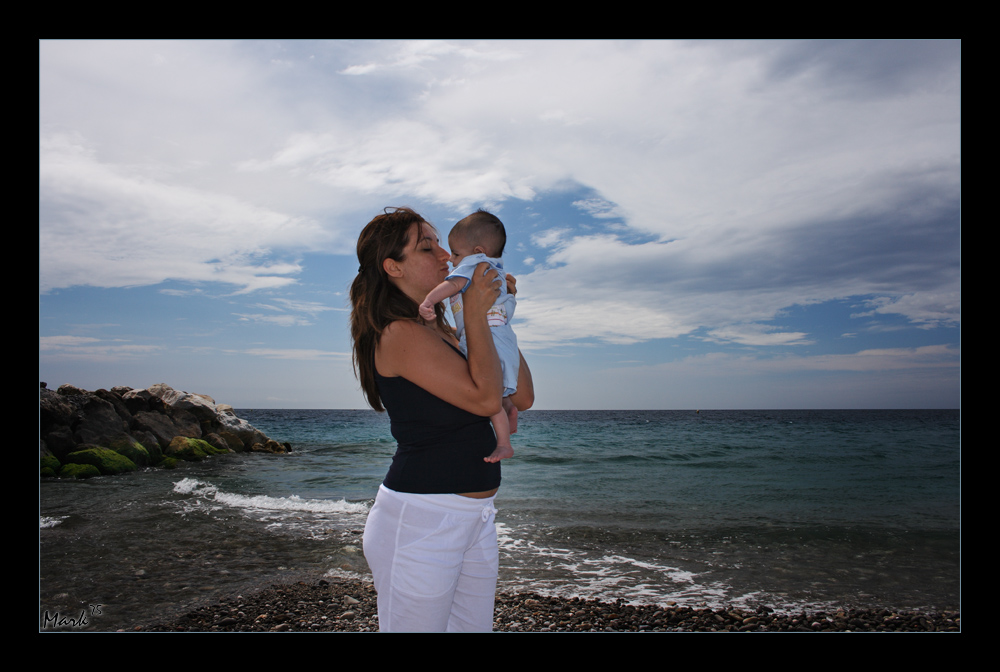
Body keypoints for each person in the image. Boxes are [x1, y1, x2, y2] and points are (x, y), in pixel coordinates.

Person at [350, 206, 534, 632]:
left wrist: (497, 318)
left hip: (475, 516)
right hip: (422, 520)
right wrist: (475, 311)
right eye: (427, 247)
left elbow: (521, 396)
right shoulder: (398, 333)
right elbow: (486, 398)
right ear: (393, 267)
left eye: (440, 245)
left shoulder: (445, 331)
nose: (446, 256)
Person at [418, 210, 518, 463]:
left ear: (478, 251)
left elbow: (452, 285)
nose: (451, 259)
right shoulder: (494, 270)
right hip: (502, 335)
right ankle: (507, 412)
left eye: (456, 253)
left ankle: (504, 442)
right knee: (497, 394)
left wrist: (429, 300)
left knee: (489, 395)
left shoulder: (474, 265)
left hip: (488, 336)